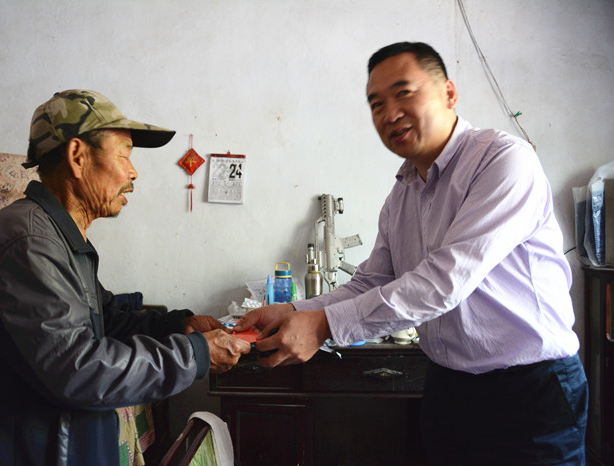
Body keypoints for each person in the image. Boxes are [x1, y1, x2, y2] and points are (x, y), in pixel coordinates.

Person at [235, 42, 588, 465]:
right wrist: (293, 310)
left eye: (404, 93)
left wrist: (323, 326)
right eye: (376, 104)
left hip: (530, 390)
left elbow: (443, 282)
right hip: (448, 389)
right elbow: (370, 282)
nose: (389, 113)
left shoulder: (503, 161)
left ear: (449, 93)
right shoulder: (401, 196)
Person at [0, 89, 251, 465]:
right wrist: (195, 354)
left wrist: (180, 326)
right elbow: (78, 370)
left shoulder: (56, 238)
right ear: (78, 157)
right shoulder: (27, 243)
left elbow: (106, 321)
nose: (133, 171)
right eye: (124, 154)